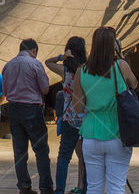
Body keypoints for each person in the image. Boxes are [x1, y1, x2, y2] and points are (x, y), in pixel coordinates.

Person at [72, 26, 138, 194]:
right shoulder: (121, 66)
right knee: (116, 187)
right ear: (113, 45)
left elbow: (78, 107)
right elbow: (135, 84)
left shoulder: (81, 71)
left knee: (93, 187)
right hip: (117, 133)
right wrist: (121, 55)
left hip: (91, 134)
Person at [2, 38, 52, 194]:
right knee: (41, 150)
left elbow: (4, 91)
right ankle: (45, 187)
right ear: (34, 51)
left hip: (13, 108)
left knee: (19, 150)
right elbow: (45, 89)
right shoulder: (35, 64)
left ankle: (24, 186)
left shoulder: (7, 65)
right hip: (31, 109)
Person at [46, 37, 87, 194]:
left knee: (64, 156)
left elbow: (48, 63)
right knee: (84, 156)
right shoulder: (86, 70)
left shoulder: (65, 71)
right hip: (86, 119)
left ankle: (60, 190)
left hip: (70, 118)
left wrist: (61, 58)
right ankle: (83, 187)